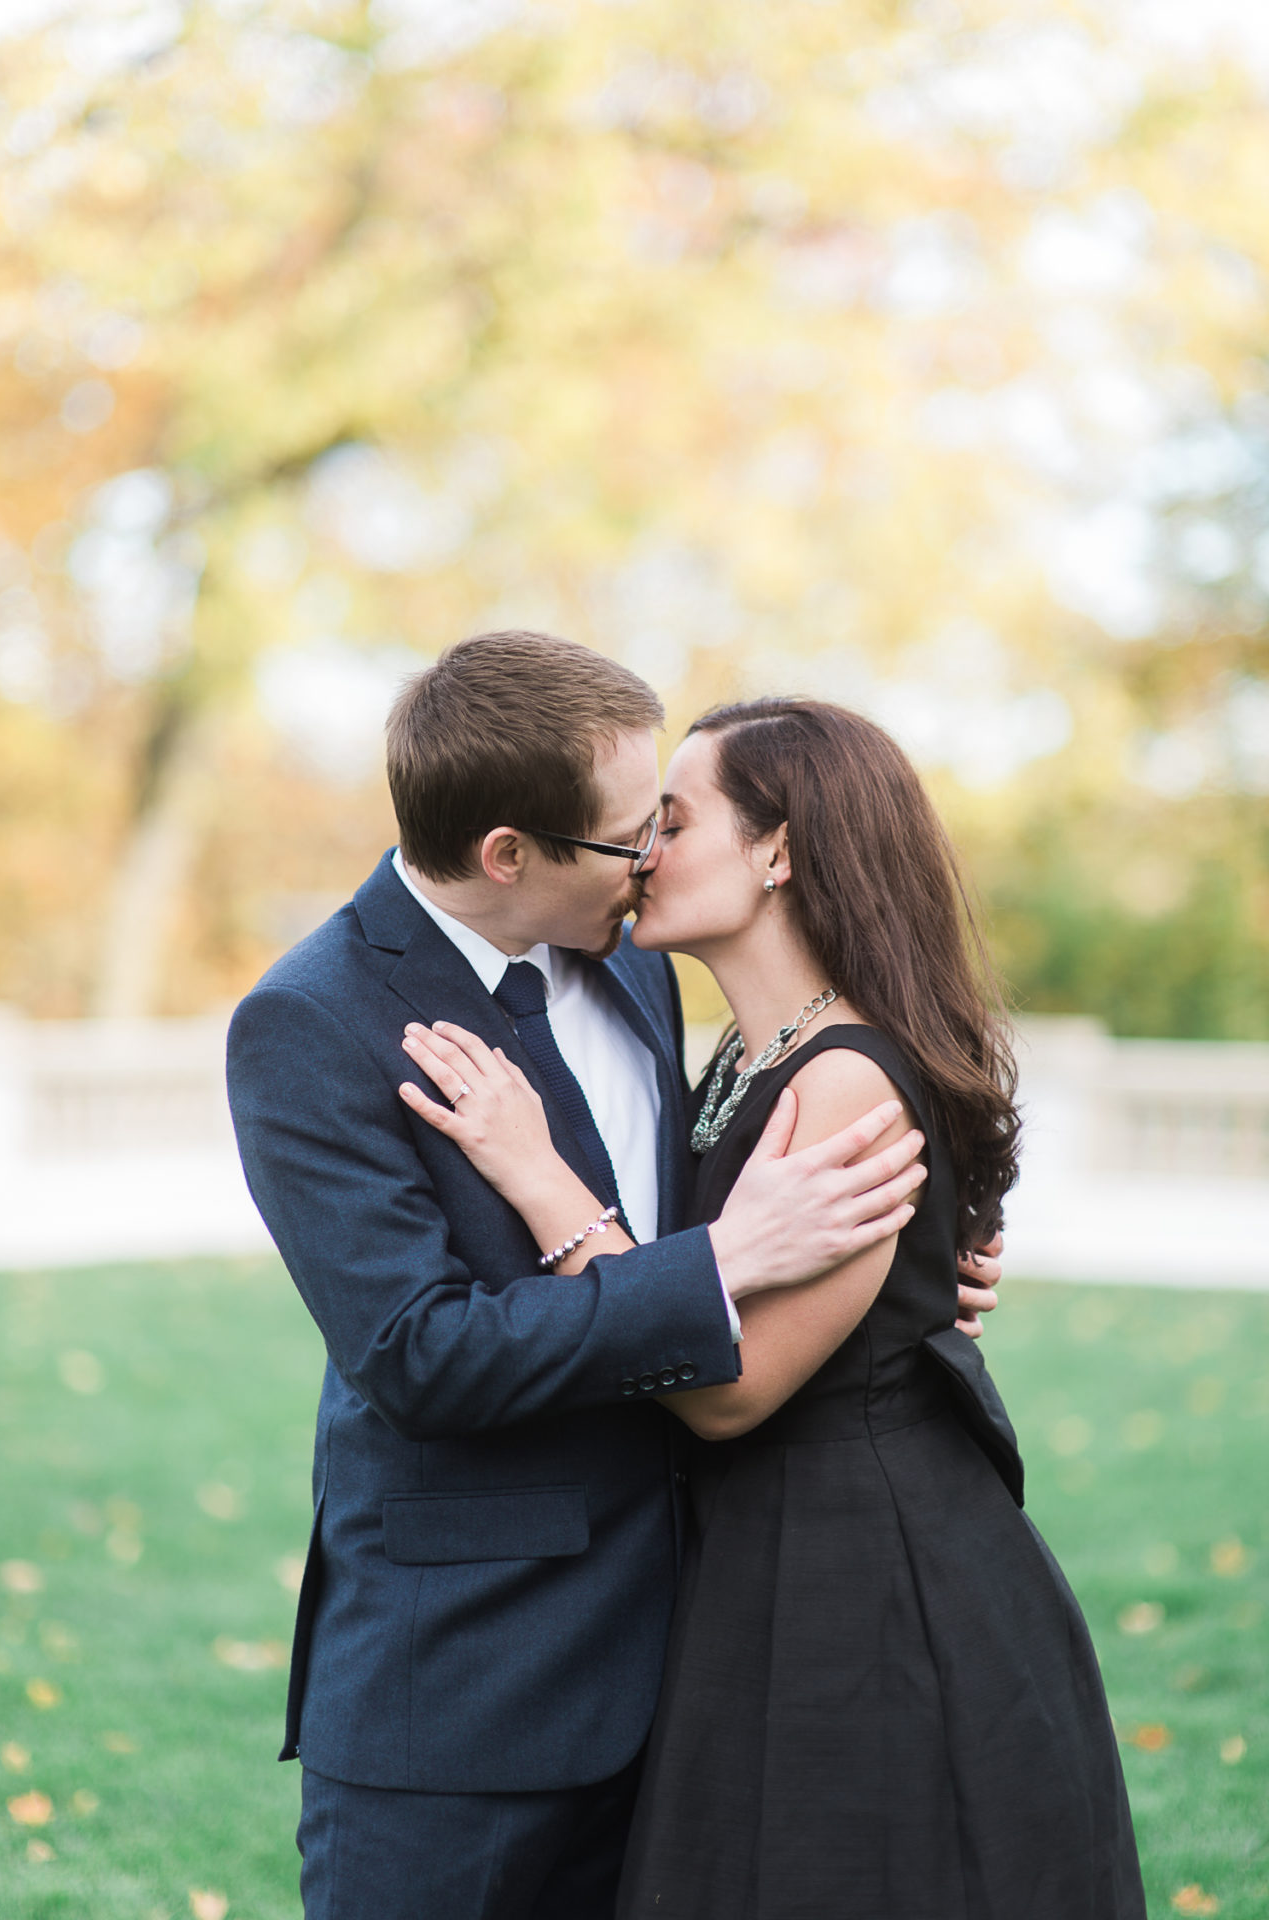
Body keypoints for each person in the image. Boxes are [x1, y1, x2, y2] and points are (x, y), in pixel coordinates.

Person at [225, 631, 1000, 1920]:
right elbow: (420, 1353)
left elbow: (729, 1175)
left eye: (664, 821)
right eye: (628, 832)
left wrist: (900, 1276)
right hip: (464, 1694)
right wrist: (725, 1266)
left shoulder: (639, 968)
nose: (651, 856)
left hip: (709, 1659)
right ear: (508, 855)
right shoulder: (309, 1021)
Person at [398, 698, 1139, 1917]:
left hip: (866, 1581)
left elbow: (730, 1395)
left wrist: (538, 1179)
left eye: (673, 821)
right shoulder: (741, 1057)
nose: (639, 853)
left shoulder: (843, 1076)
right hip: (758, 1561)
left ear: (777, 850)